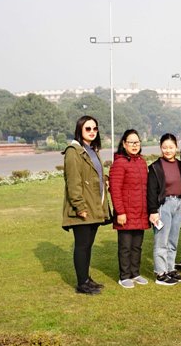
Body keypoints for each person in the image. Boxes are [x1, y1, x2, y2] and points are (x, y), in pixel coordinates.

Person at [61, 115, 112, 295]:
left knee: (88, 245)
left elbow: (93, 175)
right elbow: (73, 182)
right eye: (88, 129)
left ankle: (86, 278)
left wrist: (105, 179)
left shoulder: (91, 150)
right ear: (80, 130)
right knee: (82, 245)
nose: (92, 132)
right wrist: (79, 207)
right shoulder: (73, 151)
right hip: (84, 207)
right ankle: (82, 283)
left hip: (94, 205)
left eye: (95, 128)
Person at [109, 129, 149, 289]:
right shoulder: (119, 163)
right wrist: (120, 212)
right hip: (125, 212)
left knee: (137, 246)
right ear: (124, 144)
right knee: (125, 246)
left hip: (140, 212)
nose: (134, 145)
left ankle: (135, 273)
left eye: (137, 142)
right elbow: (115, 189)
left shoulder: (141, 161)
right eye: (131, 142)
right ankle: (124, 275)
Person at [146, 133, 181, 286]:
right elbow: (151, 191)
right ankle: (160, 273)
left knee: (173, 239)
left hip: (179, 203)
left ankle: (170, 269)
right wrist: (153, 211)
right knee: (161, 240)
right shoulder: (156, 167)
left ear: (176, 147)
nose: (168, 150)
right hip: (164, 205)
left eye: (171, 147)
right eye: (164, 147)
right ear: (161, 148)